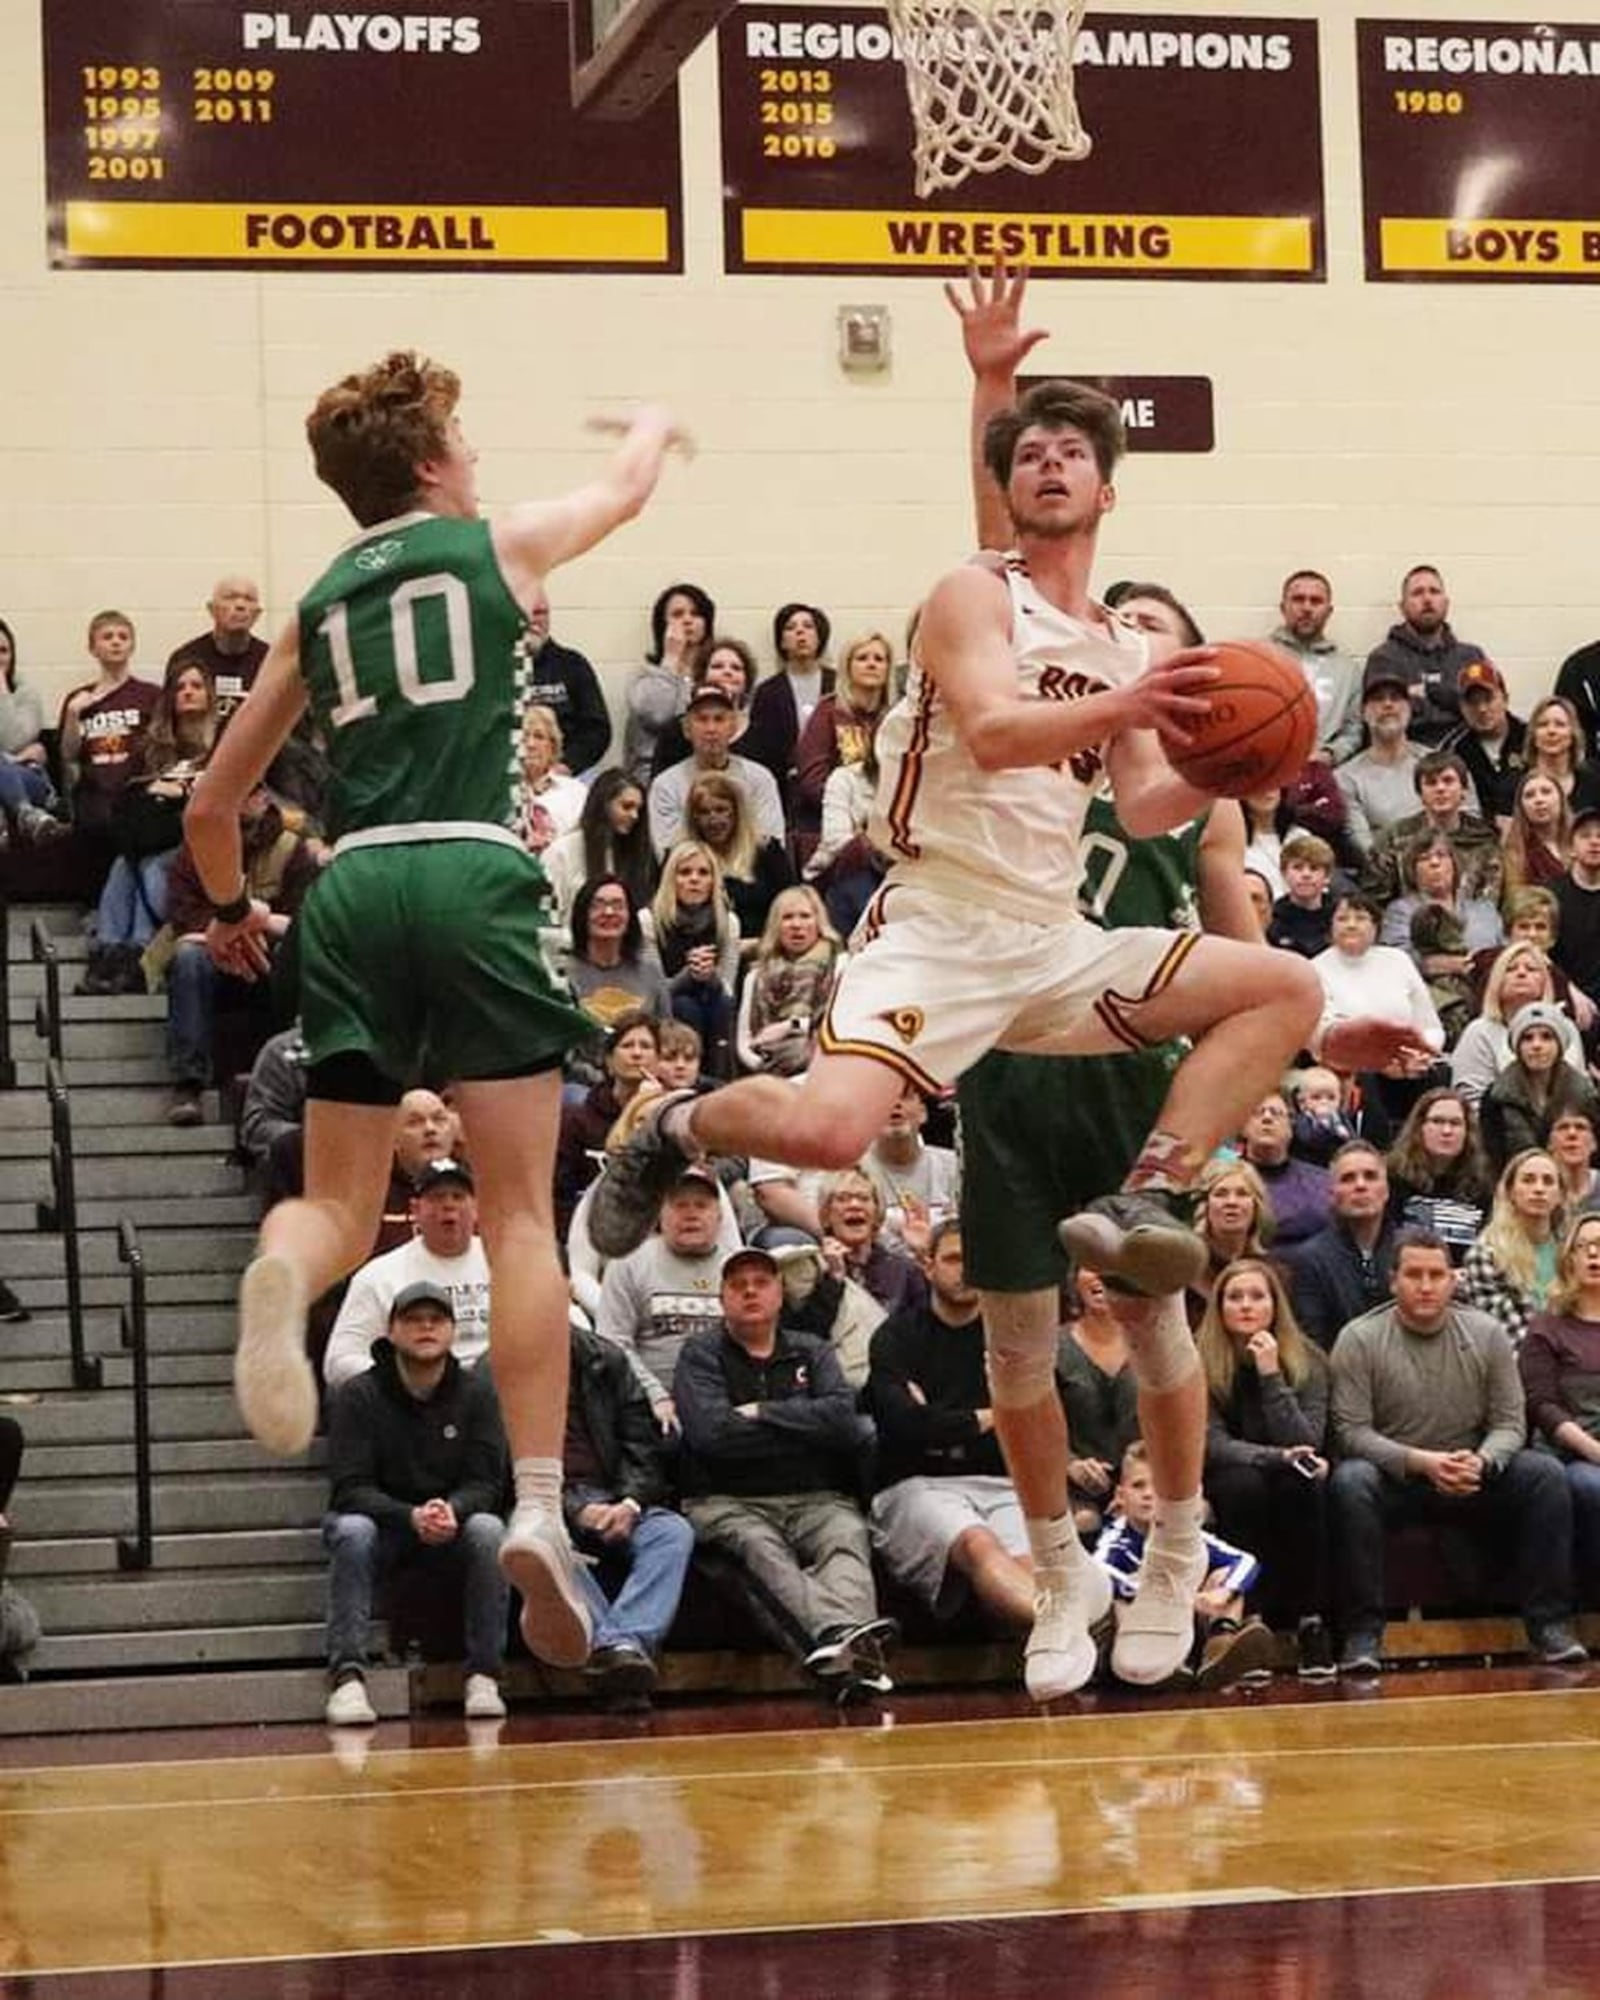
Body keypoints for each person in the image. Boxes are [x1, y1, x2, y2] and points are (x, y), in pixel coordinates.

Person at [183, 348, 687, 1676]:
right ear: (427, 465)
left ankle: (283, 1275)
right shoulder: (495, 545)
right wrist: (649, 420)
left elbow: (208, 810)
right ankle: (531, 1503)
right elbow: (627, 491)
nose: (474, 455)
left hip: (351, 887)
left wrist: (235, 914)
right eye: (460, 436)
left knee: (346, 1212)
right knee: (522, 1215)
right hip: (474, 864)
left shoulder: (312, 605)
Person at [1328, 1229, 1584, 1673]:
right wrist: (1421, 1462)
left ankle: (1550, 1627)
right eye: (1414, 1275)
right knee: (1351, 1480)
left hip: (1473, 1473)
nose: (1425, 1286)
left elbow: (1510, 1422)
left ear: (1453, 1280)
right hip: (1399, 1479)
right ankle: (1363, 1635)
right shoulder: (1359, 1338)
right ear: (1393, 1281)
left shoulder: (1487, 1334)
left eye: (1436, 1275)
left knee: (1543, 1474)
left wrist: (1483, 1461)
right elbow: (1350, 1431)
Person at [673, 1245, 894, 1699]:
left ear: (779, 1294)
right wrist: (801, 1423)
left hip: (816, 1496)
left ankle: (850, 1658)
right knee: (761, 1548)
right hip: (728, 1501)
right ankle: (845, 1638)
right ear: (722, 1300)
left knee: (847, 1534)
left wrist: (761, 1412)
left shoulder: (811, 1349)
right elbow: (712, 1435)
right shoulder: (700, 1354)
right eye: (738, 1285)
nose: (750, 1291)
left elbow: (841, 1419)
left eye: (761, 1282)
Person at [322, 1280, 511, 1724]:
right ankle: (348, 1678)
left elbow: (487, 1482)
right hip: (384, 1526)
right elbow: (349, 1488)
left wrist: (453, 1510)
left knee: (490, 1530)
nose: (425, 1328)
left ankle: (484, 1675)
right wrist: (409, 1516)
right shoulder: (359, 1395)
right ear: (390, 1331)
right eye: (413, 1319)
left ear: (452, 1332)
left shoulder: (479, 1392)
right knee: (351, 1530)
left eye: (436, 1319)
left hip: (451, 1524)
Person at [866, 1220, 1037, 1633]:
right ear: (928, 1266)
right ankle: (1061, 1629)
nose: (965, 1271)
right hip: (918, 1483)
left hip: (1000, 1480)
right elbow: (906, 1426)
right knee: (979, 1544)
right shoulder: (895, 1337)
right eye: (954, 1259)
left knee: (1036, 1560)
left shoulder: (1009, 1336)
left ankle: (1071, 1639)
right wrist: (992, 1414)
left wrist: (942, 1422)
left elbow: (1036, 1417)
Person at [1195, 1256, 1334, 1675]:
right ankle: (1248, 1621)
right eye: (1234, 1297)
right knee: (1244, 1487)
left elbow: (1306, 1439)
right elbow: (1212, 1445)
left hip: (1290, 1471)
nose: (1246, 1306)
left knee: (1301, 1488)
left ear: (1276, 1306)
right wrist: (1275, 1458)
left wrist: (1271, 1374)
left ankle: (1310, 1623)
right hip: (1231, 1473)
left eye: (1257, 1296)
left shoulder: (1307, 1358)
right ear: (1219, 1308)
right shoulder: (1201, 1360)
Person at [562, 1320, 695, 1707]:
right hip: (544, 1505)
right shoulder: (497, 1367)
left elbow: (643, 1446)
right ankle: (621, 1659)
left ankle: (618, 1646)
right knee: (536, 1553)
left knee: (672, 1532)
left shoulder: (606, 1358)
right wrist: (576, 1511)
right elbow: (498, 1473)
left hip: (616, 1494)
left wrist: (631, 1503)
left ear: (567, 1291)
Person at [80, 659, 221, 997]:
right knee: (124, 863)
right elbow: (130, 798)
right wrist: (158, 793)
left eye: (196, 686)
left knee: (150, 863)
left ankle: (136, 953)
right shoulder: (153, 748)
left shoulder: (223, 745)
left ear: (210, 696)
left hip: (202, 847)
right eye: (181, 687)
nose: (187, 692)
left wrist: (182, 791)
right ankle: (114, 952)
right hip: (153, 838)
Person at [1093, 1441, 1274, 1691]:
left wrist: (1223, 1592)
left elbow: (1245, 1561)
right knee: (1120, 1597)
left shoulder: (1185, 1535)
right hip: (1138, 1633)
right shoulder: (1116, 1537)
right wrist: (1157, 1595)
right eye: (1138, 1486)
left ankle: (1219, 1649)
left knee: (1225, 1577)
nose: (1148, 1494)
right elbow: (1099, 1571)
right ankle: (1157, 1665)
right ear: (1120, 1496)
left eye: (1157, 1487)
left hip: (1185, 1621)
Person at [323, 1157, 491, 1388]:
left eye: (458, 1197)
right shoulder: (378, 1275)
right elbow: (339, 1362)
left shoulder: (509, 1265)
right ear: (415, 1210)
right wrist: (405, 1379)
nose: (449, 1205)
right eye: (436, 1197)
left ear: (476, 1207)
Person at [1519, 1211, 1600, 1591]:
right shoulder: (1547, 1327)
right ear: (1569, 1260)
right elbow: (1542, 1404)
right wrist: (1594, 1450)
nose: (1595, 1256)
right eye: (1586, 1247)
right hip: (1570, 1454)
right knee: (1593, 1486)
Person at [57, 610, 161, 846]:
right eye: (107, 636)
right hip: (94, 801)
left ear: (132, 646)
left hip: (137, 798)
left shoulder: (151, 695)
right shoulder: (77, 698)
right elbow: (68, 754)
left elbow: (163, 748)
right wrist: (74, 714)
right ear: (93, 648)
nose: (116, 642)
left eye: (123, 637)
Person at [647, 681, 786, 857]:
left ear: (734, 727)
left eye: (719, 719)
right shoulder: (666, 786)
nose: (711, 729)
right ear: (686, 729)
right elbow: (666, 852)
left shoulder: (760, 778)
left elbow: (772, 844)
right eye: (702, 719)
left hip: (749, 875)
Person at [792, 630, 894, 863]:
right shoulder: (827, 712)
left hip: (887, 827)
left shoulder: (895, 718)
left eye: (879, 659)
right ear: (847, 666)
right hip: (835, 827)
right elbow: (812, 780)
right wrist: (848, 812)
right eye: (862, 658)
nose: (871, 664)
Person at [555, 1011, 662, 1234]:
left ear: (658, 1060)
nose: (637, 1053)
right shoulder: (576, 1120)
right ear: (609, 1061)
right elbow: (560, 1193)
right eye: (627, 1045)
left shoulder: (667, 1117)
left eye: (645, 1046)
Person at [1286, 1140, 1398, 1351]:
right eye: (1348, 1179)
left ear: (1387, 1190)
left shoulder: (1409, 1250)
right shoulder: (1310, 1260)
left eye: (1370, 1176)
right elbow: (1313, 1344)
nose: (1360, 1185)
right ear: (1331, 1194)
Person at [1363, 563, 1489, 747]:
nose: (1427, 599)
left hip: (1465, 757)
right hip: (1405, 758)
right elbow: (1385, 721)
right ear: (1402, 606)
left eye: (1434, 591)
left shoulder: (1470, 656)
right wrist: (1455, 700)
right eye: (1417, 593)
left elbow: (1483, 712)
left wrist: (1425, 693)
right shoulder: (1384, 659)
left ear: (1446, 603)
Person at [639, 840, 741, 1061]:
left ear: (713, 880)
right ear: (671, 879)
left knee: (722, 1005)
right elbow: (654, 994)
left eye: (703, 873)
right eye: (684, 872)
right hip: (666, 1008)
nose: (694, 879)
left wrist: (709, 975)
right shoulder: (648, 920)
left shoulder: (728, 922)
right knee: (685, 1006)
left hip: (714, 1004)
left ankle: (720, 1080)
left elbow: (727, 989)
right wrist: (688, 975)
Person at [1055, 1269, 1139, 1536]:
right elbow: (1033, 1425)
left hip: (1149, 1480)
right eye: (1091, 1265)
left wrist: (1138, 1481)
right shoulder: (1052, 1345)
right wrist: (1069, 1464)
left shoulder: (1155, 1340)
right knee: (1081, 1523)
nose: (1101, 1276)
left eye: (1113, 1265)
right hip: (1071, 1482)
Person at [1458, 1148, 1565, 1349]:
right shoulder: (1486, 1254)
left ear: (1560, 1195)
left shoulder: (1571, 1251)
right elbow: (1505, 1338)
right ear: (1510, 1191)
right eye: (1528, 1180)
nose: (1539, 1189)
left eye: (1548, 1181)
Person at [1363, 750, 1498, 907]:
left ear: (1464, 790)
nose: (1440, 789)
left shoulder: (1484, 838)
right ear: (1420, 794)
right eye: (1431, 783)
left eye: (1448, 781)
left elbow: (1490, 899)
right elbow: (1374, 900)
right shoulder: (1394, 837)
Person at [732, 885, 842, 1076]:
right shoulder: (756, 976)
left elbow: (838, 1023)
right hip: (768, 1067)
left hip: (822, 1065)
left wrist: (791, 1026)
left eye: (805, 916)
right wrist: (765, 1066)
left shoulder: (840, 966)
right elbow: (744, 1042)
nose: (796, 925)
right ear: (776, 926)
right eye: (787, 917)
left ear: (819, 922)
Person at [1451, 942, 1577, 1105]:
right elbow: (1470, 1102)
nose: (1521, 973)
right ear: (1497, 980)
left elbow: (1579, 1095)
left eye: (1531, 969)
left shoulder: (1567, 1028)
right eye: (1510, 969)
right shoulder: (1479, 1032)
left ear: (1545, 981)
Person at [1479, 1002, 1599, 1170]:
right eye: (1527, 1038)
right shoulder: (1495, 1098)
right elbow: (1492, 1160)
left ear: (1560, 1045)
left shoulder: (1586, 1096)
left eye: (1547, 1037)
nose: (1536, 1045)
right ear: (1517, 1047)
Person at [684, 767, 795, 943]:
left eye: (721, 810)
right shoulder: (681, 858)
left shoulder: (767, 852)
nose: (713, 820)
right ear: (693, 817)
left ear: (737, 812)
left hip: (764, 950)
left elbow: (791, 906)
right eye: (704, 812)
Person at [621, 581, 714, 786]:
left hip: (710, 780)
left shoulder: (716, 672)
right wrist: (671, 658)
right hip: (653, 779)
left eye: (696, 613)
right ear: (662, 625)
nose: (687, 620)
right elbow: (658, 715)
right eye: (678, 614)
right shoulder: (645, 675)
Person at [741, 602, 835, 804]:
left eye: (808, 627)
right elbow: (762, 750)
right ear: (781, 641)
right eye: (790, 628)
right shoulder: (767, 692)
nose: (800, 632)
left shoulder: (839, 684)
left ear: (820, 637)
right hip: (784, 791)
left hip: (833, 786)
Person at [1384, 1087, 1493, 1260]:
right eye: (1437, 1121)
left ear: (1468, 1131)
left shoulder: (1483, 1185)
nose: (1447, 1131)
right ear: (1420, 1127)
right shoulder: (1393, 1177)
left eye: (1455, 1123)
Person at [1269, 569, 1363, 765]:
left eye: (1316, 601)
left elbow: (1354, 731)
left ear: (1329, 611)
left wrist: (1329, 755)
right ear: (1283, 608)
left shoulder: (1347, 670)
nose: (1306, 608)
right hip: (1267, 772)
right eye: (1298, 599)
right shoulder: (1258, 658)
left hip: (1322, 776)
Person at [540, 768, 656, 925]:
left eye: (639, 810)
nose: (635, 816)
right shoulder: (560, 852)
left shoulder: (636, 856)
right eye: (627, 807)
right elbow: (547, 916)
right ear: (603, 804)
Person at [511, 599, 612, 777]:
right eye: (525, 613)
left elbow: (597, 730)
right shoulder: (490, 670)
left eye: (540, 613)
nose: (533, 621)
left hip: (568, 770)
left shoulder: (573, 664)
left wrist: (565, 767)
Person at [562, 874, 672, 1033]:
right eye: (597, 905)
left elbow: (666, 1033)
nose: (608, 912)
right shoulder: (564, 973)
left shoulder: (650, 973)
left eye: (618, 905)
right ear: (582, 914)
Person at [1336, 664, 1422, 855]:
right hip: (1383, 876)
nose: (1388, 705)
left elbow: (1464, 822)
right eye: (1378, 699)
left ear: (1410, 708)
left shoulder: (1437, 764)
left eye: (1396, 698)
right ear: (1364, 713)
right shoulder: (1346, 778)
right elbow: (1365, 847)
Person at [0, 618, 65, 851]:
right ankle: (25, 816)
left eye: (3, 651)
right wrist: (15, 757)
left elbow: (15, 739)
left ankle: (24, 812)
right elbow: (17, 748)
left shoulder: (26, 694)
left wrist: (2, 692)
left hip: (31, 781)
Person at [167, 576, 268, 724]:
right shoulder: (186, 658)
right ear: (211, 609)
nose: (240, 605)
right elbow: (169, 719)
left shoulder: (271, 660)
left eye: (248, 599)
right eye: (230, 597)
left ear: (257, 614)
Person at [1237, 1091, 1330, 1251]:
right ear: (1243, 1128)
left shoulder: (1321, 1181)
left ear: (1291, 1127)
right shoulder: (1224, 1178)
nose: (1267, 1118)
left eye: (1276, 1113)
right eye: (1257, 1113)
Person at [1445, 658, 1526, 820]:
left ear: (1505, 699)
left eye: (1488, 699)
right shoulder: (1453, 749)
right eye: (1472, 702)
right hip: (1477, 838)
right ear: (1461, 707)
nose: (1481, 709)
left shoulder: (1531, 737)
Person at [516, 705, 587, 855]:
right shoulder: (500, 794)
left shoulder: (576, 792)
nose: (530, 745)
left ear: (553, 747)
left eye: (539, 737)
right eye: (523, 738)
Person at [1524, 695, 1600, 817]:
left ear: (1573, 734)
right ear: (1533, 735)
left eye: (1560, 724)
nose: (1551, 731)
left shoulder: (1594, 783)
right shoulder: (1515, 784)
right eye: (1543, 725)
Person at [1501, 772, 1572, 897]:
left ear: (1561, 798)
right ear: (1521, 807)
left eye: (1546, 792)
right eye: (1529, 795)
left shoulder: (1582, 840)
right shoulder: (1515, 854)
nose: (1539, 800)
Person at [1266, 831, 1336, 958]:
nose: (1306, 875)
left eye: (1314, 868)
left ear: (1327, 876)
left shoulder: (1340, 917)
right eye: (1298, 867)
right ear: (1284, 873)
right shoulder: (1271, 919)